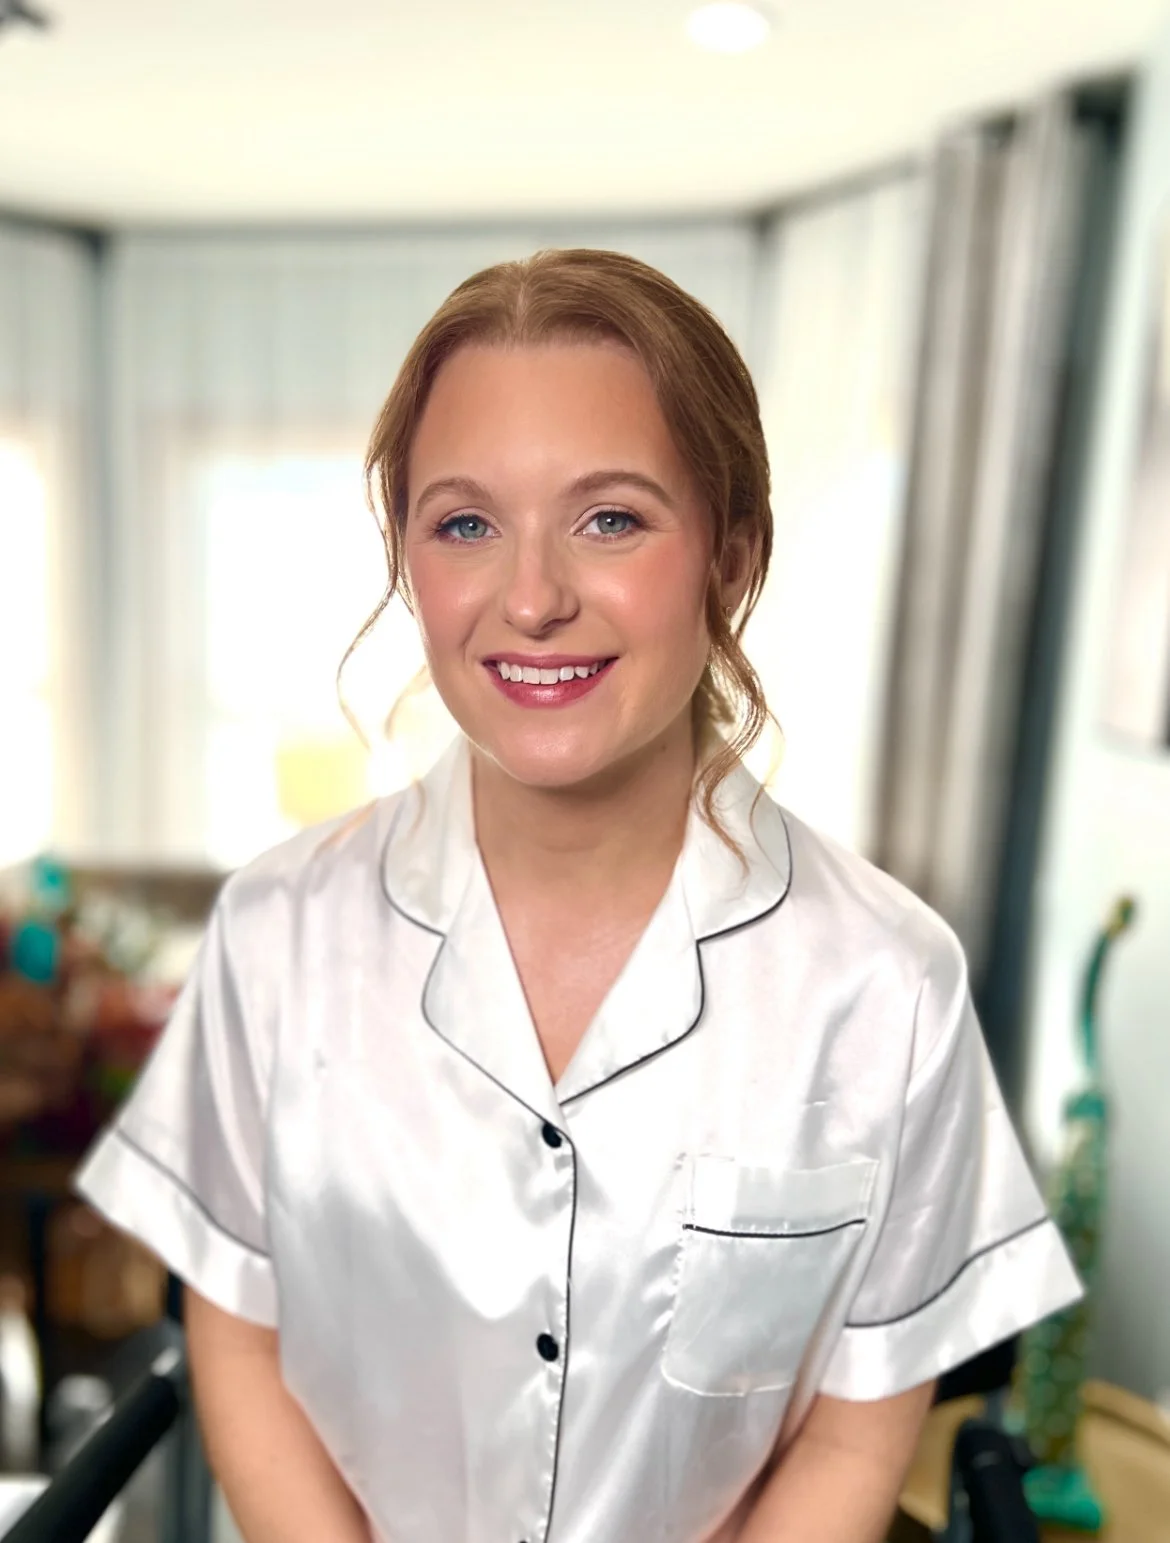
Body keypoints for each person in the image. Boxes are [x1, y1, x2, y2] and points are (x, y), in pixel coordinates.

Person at [75, 249, 1081, 1543]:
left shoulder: (885, 978)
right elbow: (237, 1329)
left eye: (609, 517)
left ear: (732, 552)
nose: (533, 597)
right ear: (406, 556)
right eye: (464, 523)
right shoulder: (277, 933)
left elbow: (851, 1422)